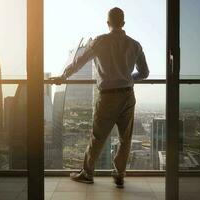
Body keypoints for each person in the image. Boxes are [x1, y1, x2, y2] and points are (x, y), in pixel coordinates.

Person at [51, 7, 149, 188]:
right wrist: (128, 78)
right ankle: (119, 174)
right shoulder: (135, 45)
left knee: (97, 136)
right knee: (125, 138)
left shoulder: (100, 42)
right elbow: (144, 72)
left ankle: (87, 173)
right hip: (128, 95)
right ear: (124, 23)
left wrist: (63, 77)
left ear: (108, 23)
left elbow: (78, 62)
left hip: (108, 97)